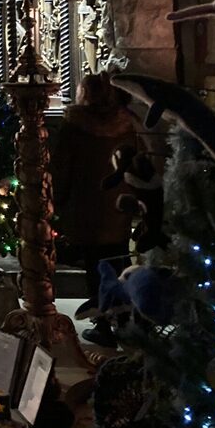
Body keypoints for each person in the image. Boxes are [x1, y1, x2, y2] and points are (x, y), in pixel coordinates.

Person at [52, 72, 139, 348]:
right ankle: (125, 323)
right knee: (120, 264)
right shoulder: (126, 125)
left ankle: (102, 324)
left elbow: (61, 169)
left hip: (86, 208)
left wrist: (57, 200)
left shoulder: (74, 126)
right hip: (118, 208)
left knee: (95, 269)